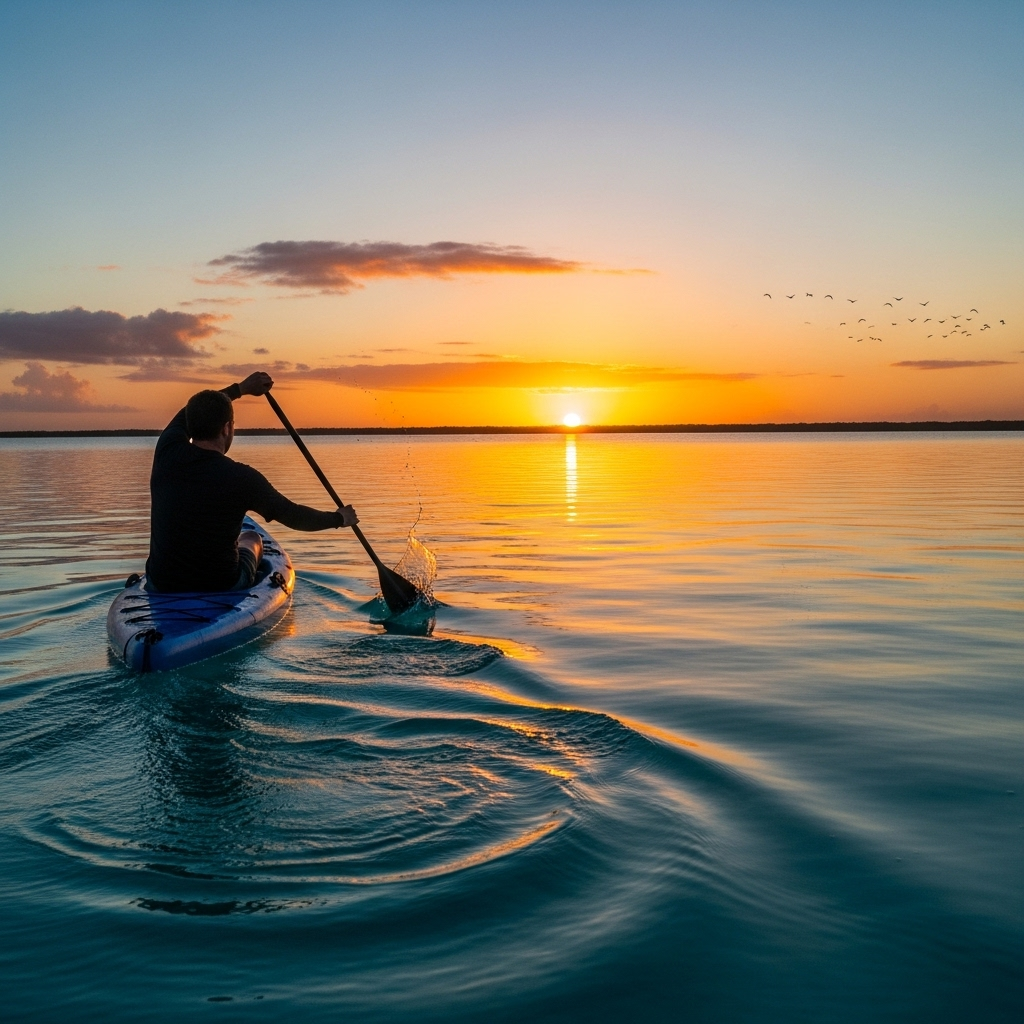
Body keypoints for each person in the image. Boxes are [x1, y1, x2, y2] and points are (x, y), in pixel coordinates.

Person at [145, 371, 357, 592]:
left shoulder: (167, 450)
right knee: (252, 537)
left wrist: (241, 388)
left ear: (190, 424)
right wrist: (339, 518)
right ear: (226, 428)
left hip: (162, 583)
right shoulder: (242, 477)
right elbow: (294, 516)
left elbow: (186, 413)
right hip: (221, 584)